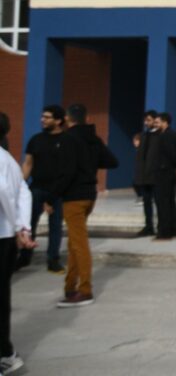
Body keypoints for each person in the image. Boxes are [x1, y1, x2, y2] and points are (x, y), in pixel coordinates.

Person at [56, 103, 117, 308]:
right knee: (74, 242)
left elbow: (66, 171)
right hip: (90, 195)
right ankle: (70, 287)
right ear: (86, 118)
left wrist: (52, 195)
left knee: (79, 244)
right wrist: (90, 163)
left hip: (73, 196)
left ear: (67, 119)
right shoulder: (94, 139)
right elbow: (112, 161)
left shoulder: (68, 139)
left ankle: (85, 290)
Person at [18, 105, 73, 274]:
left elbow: (69, 168)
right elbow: (28, 163)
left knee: (55, 226)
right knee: (29, 224)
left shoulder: (67, 141)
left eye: (47, 117)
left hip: (58, 191)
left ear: (58, 120)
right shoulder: (36, 139)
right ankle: (24, 257)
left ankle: (53, 259)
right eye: (43, 116)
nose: (42, 120)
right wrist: (19, 185)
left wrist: (58, 192)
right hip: (36, 189)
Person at [0, 145, 36, 374]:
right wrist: (23, 227)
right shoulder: (8, 159)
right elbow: (24, 191)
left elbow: (3, 190)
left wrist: (17, 226)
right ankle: (6, 353)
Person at [147, 112, 176, 241]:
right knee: (170, 201)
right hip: (168, 172)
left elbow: (173, 154)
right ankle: (173, 229)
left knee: (162, 202)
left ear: (165, 122)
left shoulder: (166, 136)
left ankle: (164, 232)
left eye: (157, 122)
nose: (155, 125)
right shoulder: (172, 135)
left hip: (164, 173)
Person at [134, 110, 159, 236]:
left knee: (159, 202)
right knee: (147, 202)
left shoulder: (160, 136)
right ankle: (148, 226)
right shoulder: (143, 136)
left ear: (155, 120)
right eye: (145, 120)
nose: (146, 123)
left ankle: (162, 226)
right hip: (144, 177)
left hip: (156, 176)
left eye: (148, 120)